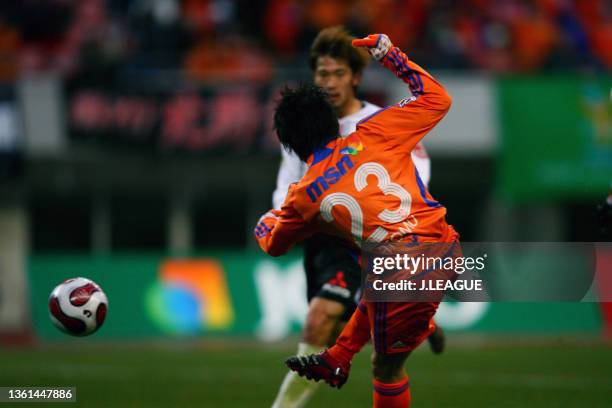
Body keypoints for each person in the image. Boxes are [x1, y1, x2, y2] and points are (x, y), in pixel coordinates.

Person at [256, 33, 457, 408]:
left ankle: (387, 336)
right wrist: (391, 55)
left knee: (386, 367)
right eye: (322, 73)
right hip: (439, 240)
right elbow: (438, 99)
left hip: (390, 257)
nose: (329, 81)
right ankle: (340, 357)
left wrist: (266, 223)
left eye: (337, 72)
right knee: (377, 278)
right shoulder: (378, 128)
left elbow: (273, 241)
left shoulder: (306, 194)